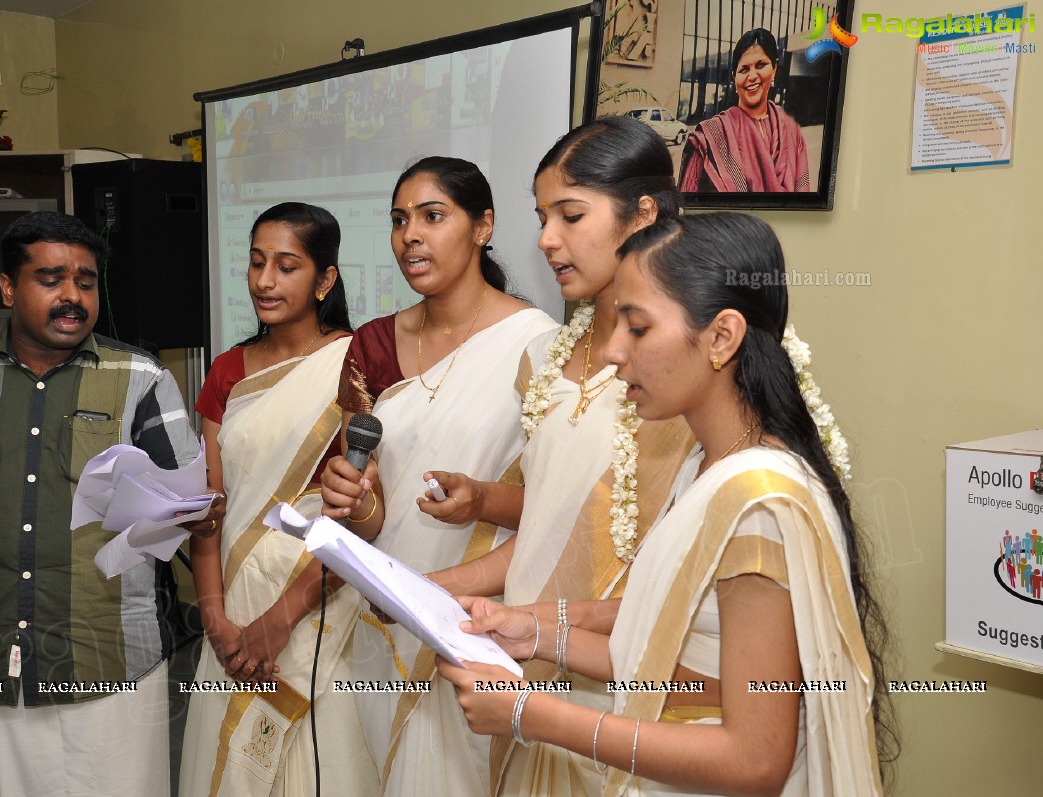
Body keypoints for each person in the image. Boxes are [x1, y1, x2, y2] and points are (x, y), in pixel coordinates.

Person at [439, 213, 896, 796]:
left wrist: (532, 714)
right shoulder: (708, 466)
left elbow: (754, 760)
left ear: (722, 337)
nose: (610, 352)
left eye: (637, 328)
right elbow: (671, 657)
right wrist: (533, 635)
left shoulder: (759, 502)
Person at [0, 211, 224, 797]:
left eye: (86, 282)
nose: (72, 296)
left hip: (109, 651)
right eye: (51, 279)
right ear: (8, 288)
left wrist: (196, 510)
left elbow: (186, 499)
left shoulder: (140, 379)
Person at [426, 116, 694, 797]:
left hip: (629, 692)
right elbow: (545, 536)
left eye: (569, 215)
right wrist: (441, 588)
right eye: (542, 216)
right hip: (526, 668)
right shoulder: (543, 359)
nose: (546, 239)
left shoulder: (683, 372)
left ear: (643, 213)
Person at [320, 156, 557, 796]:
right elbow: (371, 515)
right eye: (399, 221)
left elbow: (563, 510)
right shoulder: (370, 345)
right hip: (379, 616)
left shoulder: (539, 346)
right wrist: (355, 501)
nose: (410, 236)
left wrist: (480, 501)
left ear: (483, 228)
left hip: (478, 621)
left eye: (432, 216)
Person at [178, 203, 378, 796]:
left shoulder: (356, 366)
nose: (265, 281)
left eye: (286, 266)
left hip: (319, 607)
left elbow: (358, 518)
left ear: (324, 280)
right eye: (257, 263)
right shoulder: (227, 373)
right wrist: (213, 615)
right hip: (233, 608)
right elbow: (207, 508)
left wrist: (282, 616)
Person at [678, 29, 811, 193]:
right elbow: (686, 205)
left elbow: (803, 199)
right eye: (744, 69)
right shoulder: (706, 138)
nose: (752, 76)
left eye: (761, 65)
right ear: (734, 76)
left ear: (774, 69)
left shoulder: (792, 133)